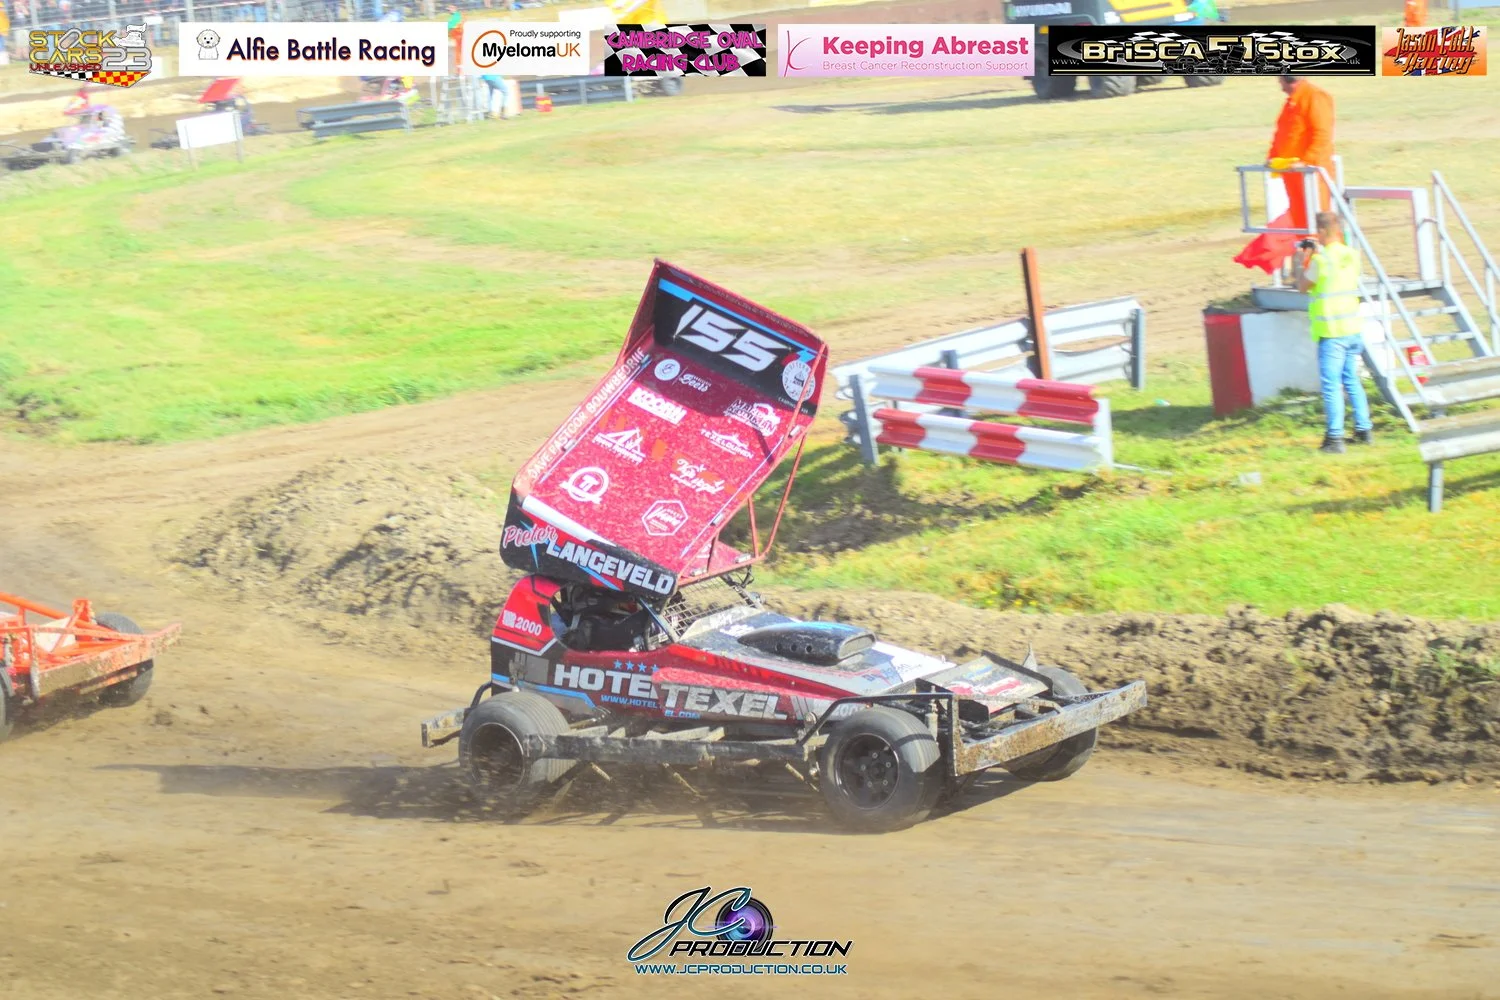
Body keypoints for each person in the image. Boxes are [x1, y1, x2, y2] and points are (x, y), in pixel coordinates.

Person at [1235, 76, 1337, 275]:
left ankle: (1330, 269)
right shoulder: (1292, 102)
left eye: (1280, 80)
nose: (1279, 85)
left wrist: (1306, 162)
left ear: (1288, 79)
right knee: (1301, 225)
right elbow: (1281, 134)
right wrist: (1272, 157)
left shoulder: (1315, 97)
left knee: (1319, 221)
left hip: (1313, 174)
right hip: (1293, 174)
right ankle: (1309, 271)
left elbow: (1322, 134)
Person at [1295, 211, 1372, 454]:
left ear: (1321, 232)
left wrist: (1303, 259)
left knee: (1331, 386)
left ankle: (1334, 438)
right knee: (1351, 380)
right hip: (1352, 328)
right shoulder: (1352, 255)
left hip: (1331, 331)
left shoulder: (1321, 260)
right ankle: (1364, 429)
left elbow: (1302, 286)